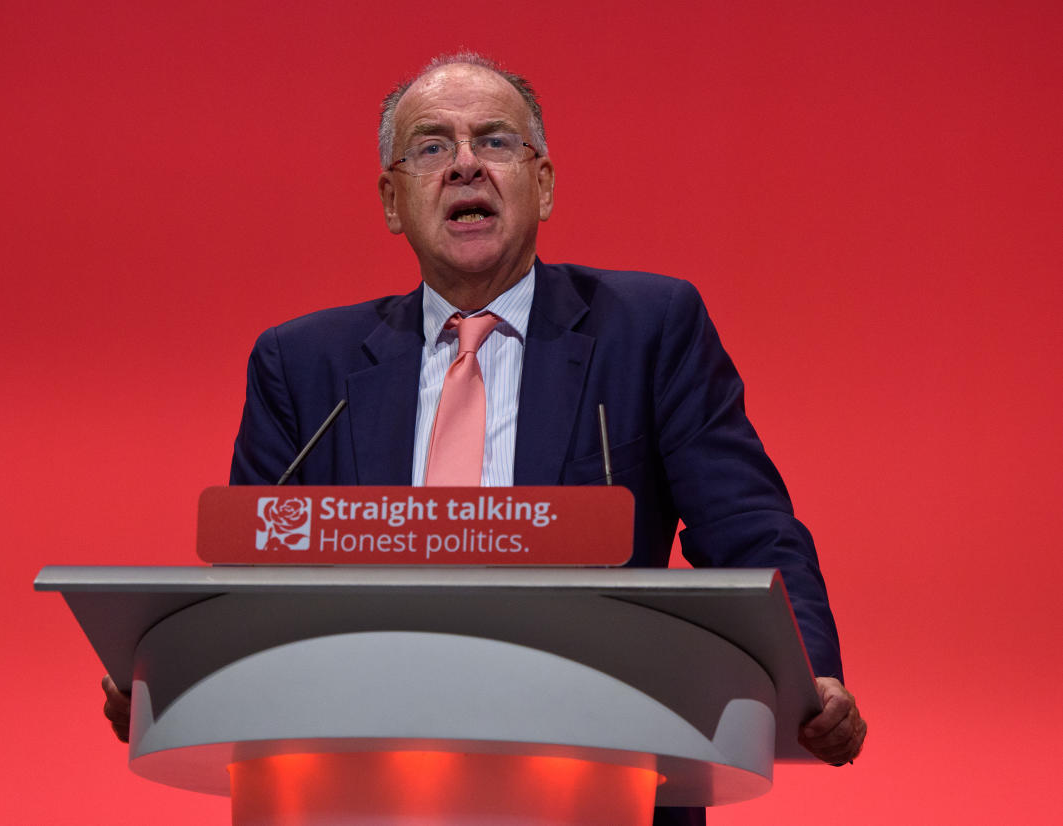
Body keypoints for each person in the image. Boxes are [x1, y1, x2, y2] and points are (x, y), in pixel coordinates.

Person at [104, 52, 866, 824]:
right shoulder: (303, 364)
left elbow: (745, 526)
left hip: (595, 768)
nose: (465, 164)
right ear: (391, 200)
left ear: (542, 184)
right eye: (431, 147)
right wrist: (168, 666)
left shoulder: (645, 328)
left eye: (495, 141)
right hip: (357, 781)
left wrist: (812, 676)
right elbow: (250, 583)